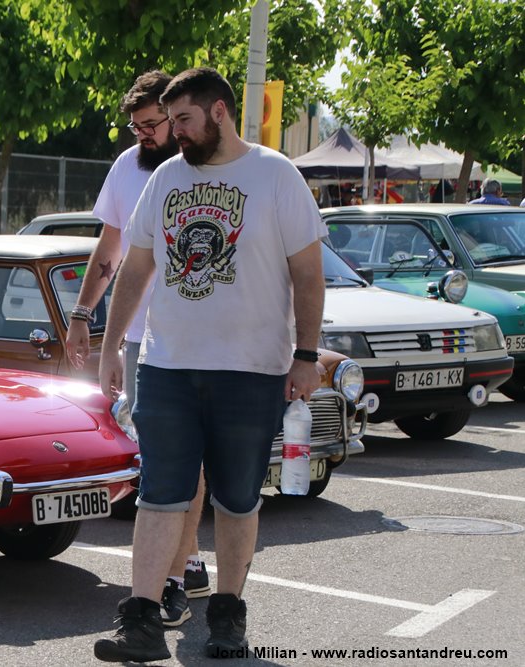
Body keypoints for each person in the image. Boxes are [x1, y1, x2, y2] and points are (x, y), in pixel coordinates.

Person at [93, 67, 325, 662]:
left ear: (219, 111)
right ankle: (141, 621)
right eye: (170, 121)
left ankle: (227, 616)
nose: (175, 132)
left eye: (184, 119)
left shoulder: (276, 175)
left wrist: (305, 355)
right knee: (159, 493)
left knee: (237, 498)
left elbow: (307, 273)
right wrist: (111, 346)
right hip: (168, 366)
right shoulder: (166, 178)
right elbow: (136, 268)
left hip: (251, 370)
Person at [64, 70, 209, 631]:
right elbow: (110, 248)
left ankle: (177, 573)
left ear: (175, 119)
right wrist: (83, 316)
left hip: (198, 338)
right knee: (161, 458)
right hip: (141, 338)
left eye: (152, 124)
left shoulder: (206, 168)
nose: (144, 134)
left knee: (183, 459)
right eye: (137, 126)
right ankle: (181, 568)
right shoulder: (127, 167)